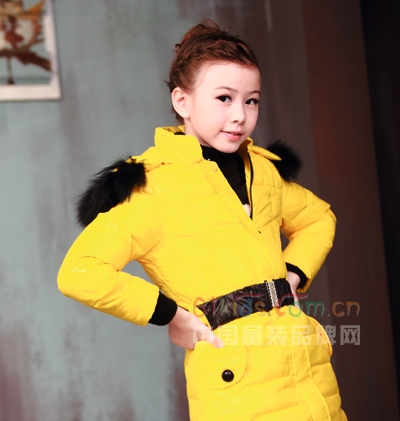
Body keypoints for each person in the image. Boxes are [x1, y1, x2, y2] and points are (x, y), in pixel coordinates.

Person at [58, 19, 347, 421]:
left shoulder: (262, 171)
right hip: (236, 385)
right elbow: (80, 272)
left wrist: (293, 276)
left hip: (309, 373)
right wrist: (171, 315)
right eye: (224, 98)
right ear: (183, 101)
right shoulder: (152, 187)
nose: (240, 115)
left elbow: (318, 218)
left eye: (251, 101)